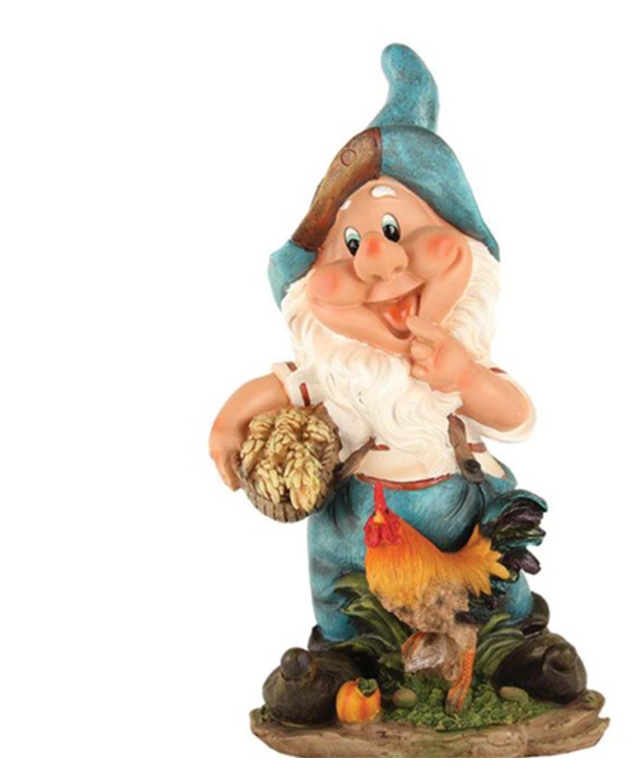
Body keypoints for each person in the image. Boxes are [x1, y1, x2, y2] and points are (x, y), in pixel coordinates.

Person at [210, 45, 586, 723]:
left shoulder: (456, 353)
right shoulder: (340, 369)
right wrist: (227, 422)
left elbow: (517, 415)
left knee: (492, 571)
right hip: (362, 510)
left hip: (454, 506)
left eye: (395, 228)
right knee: (334, 561)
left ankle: (515, 648)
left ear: (463, 243)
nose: (380, 263)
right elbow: (283, 386)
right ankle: (341, 657)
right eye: (349, 245)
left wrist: (464, 376)